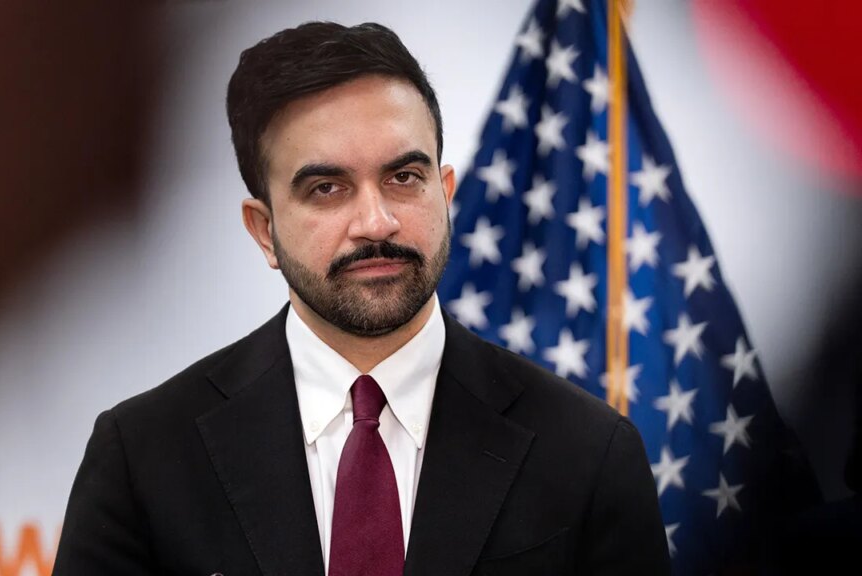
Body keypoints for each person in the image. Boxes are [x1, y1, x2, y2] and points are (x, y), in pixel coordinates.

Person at [52, 21, 670, 576]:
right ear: (263, 230)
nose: (376, 222)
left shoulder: (589, 453)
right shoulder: (143, 457)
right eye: (327, 188)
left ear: (445, 193)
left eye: (404, 178)